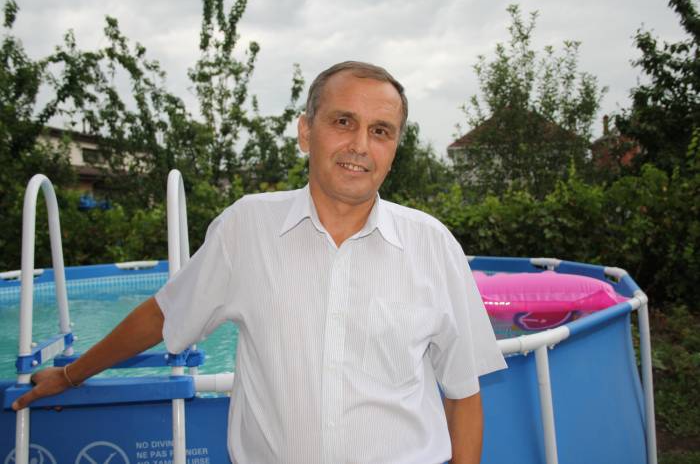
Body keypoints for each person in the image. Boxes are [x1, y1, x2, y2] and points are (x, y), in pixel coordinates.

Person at [13, 61, 507, 464]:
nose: (360, 145)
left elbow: (463, 394)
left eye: (380, 131)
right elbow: (166, 313)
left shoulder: (432, 245)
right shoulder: (247, 229)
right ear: (305, 132)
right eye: (343, 122)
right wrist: (72, 374)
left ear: (394, 148)